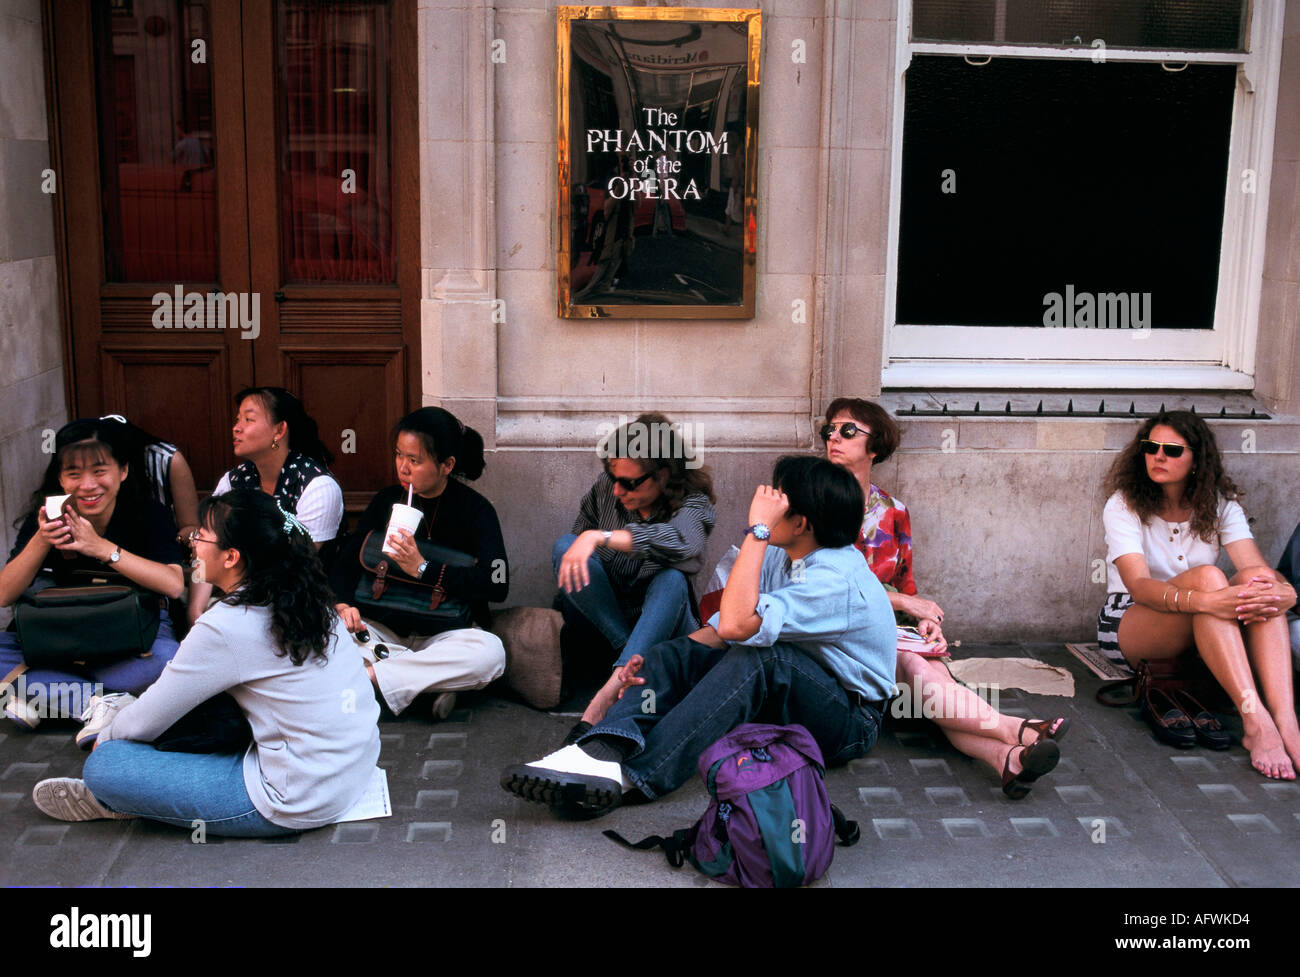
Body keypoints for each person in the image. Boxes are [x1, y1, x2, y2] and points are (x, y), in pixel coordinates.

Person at [501, 456, 896, 817]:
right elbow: (720, 630)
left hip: (849, 719)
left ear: (801, 523)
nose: (766, 502)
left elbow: (737, 627)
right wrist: (660, 665)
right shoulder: (784, 549)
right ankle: (599, 749)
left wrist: (758, 529)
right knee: (671, 653)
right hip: (795, 692)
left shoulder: (834, 580)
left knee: (761, 659)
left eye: (778, 500)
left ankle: (633, 776)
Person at [29, 490, 379, 836]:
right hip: (355, 770)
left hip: (291, 798)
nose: (192, 544)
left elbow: (146, 720)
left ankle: (126, 799)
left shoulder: (225, 624)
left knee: (106, 767)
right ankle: (145, 790)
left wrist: (105, 739)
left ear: (231, 557)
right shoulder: (309, 597)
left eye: (201, 536)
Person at [822, 397, 1068, 797]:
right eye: (829, 430)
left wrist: (925, 620)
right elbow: (829, 591)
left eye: (847, 430)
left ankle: (1008, 761)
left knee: (931, 681)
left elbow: (906, 584)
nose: (834, 437)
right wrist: (905, 606)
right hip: (844, 630)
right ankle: (1016, 729)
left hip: (892, 627)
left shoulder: (893, 511)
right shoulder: (815, 502)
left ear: (875, 446)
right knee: (921, 674)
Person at [1100, 410, 1299, 780]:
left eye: (1173, 451)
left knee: (1256, 580)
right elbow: (1139, 586)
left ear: (1196, 460)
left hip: (1208, 618)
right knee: (1210, 578)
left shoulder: (1219, 504)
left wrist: (1286, 592)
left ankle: (1286, 720)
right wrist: (1207, 600)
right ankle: (1255, 721)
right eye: (1151, 447)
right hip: (1133, 619)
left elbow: (1256, 568)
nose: (1158, 457)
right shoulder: (1124, 503)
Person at [0, 420, 185, 731]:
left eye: (100, 471)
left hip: (128, 640)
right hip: (58, 638)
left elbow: (174, 584)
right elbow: (5, 595)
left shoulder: (148, 513)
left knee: (168, 660)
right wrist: (42, 540)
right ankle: (97, 704)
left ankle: (43, 696)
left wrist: (101, 548)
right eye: (73, 474)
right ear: (60, 477)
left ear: (123, 471)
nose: (87, 485)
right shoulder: (45, 518)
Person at [331, 408, 507, 720]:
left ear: (446, 465)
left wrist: (424, 568)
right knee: (327, 634)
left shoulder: (476, 510)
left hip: (444, 634)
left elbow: (497, 583)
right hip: (381, 629)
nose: (403, 467)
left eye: (415, 460)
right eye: (399, 455)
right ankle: (424, 687)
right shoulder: (386, 500)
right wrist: (343, 605)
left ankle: (373, 680)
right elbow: (346, 562)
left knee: (490, 654)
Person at [553, 412, 715, 683]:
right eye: (612, 476)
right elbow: (578, 557)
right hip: (607, 620)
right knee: (565, 546)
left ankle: (622, 675)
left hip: (662, 621)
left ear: (663, 475)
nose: (617, 490)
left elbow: (683, 541)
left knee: (672, 579)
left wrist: (601, 536)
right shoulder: (607, 489)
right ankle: (627, 656)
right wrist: (586, 541)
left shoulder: (694, 503)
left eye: (629, 483)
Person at [189, 387, 343, 624]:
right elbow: (205, 547)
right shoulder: (234, 482)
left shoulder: (317, 486)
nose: (236, 428)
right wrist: (196, 609)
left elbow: (297, 564)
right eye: (237, 419)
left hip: (297, 607)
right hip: (234, 600)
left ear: (279, 430)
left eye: (248, 419)